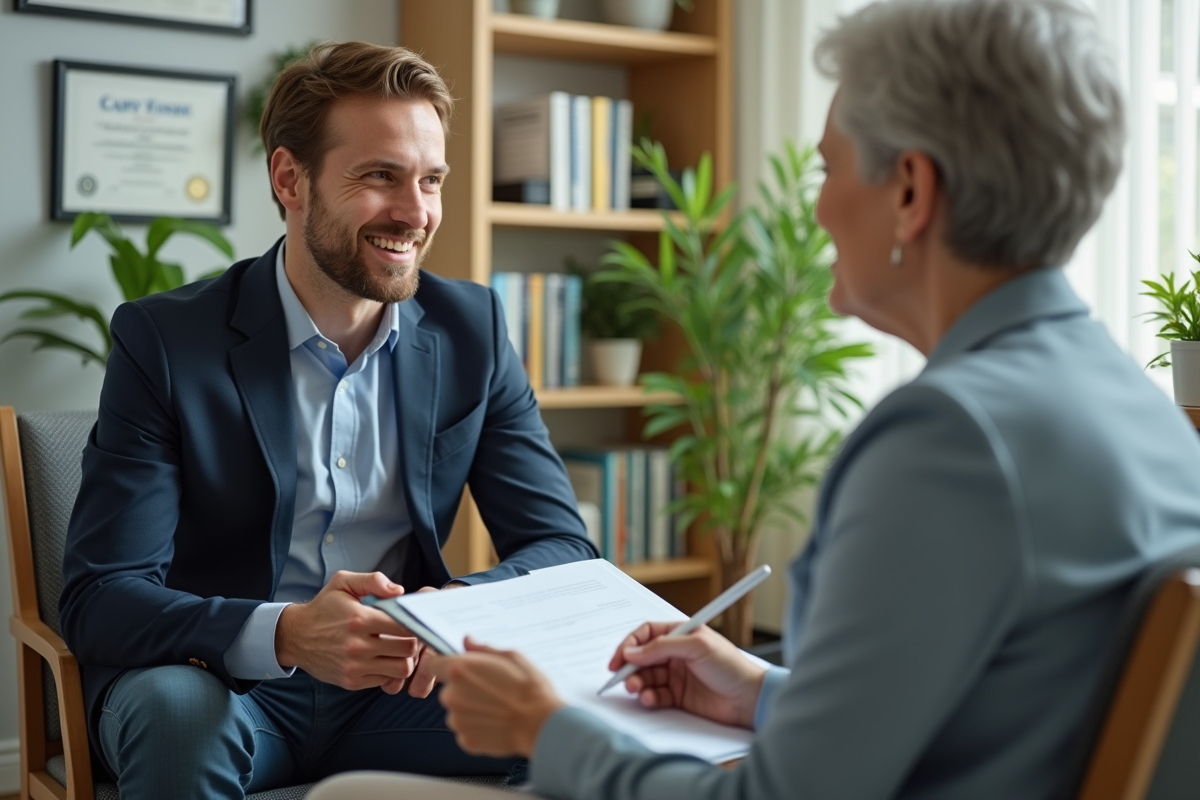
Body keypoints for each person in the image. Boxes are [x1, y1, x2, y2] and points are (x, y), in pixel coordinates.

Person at [308, 2, 1200, 799]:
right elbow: (989, 711)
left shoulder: (947, 442)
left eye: (828, 169)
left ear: (911, 193)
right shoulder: (1144, 411)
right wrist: (760, 687)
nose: (814, 212)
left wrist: (548, 729)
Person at [58, 41, 597, 800]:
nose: (415, 212)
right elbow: (102, 595)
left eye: (431, 180)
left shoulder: (473, 329)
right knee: (178, 717)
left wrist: (458, 611)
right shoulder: (167, 342)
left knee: (578, 716)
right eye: (380, 176)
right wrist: (283, 633)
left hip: (400, 693)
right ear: (290, 179)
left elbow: (563, 549)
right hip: (221, 685)